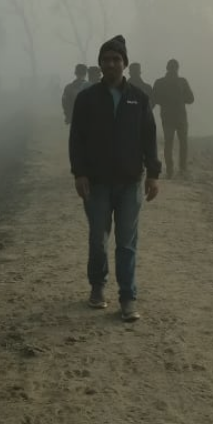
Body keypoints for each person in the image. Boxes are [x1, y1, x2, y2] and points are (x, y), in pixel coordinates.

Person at [69, 35, 161, 322]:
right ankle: (98, 286)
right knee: (98, 239)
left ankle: (127, 298)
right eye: (106, 59)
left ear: (125, 63)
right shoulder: (86, 99)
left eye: (116, 59)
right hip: (96, 183)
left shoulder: (138, 99)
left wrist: (153, 174)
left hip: (130, 182)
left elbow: (149, 138)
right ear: (99, 64)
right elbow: (76, 139)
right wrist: (79, 173)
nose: (111, 64)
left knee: (126, 243)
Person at [152, 58, 195, 179]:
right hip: (179, 117)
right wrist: (179, 99)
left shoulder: (160, 82)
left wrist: (166, 101)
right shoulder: (182, 81)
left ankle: (171, 170)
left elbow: (154, 99)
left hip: (169, 117)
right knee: (181, 143)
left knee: (170, 143)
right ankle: (180, 168)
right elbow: (190, 99)